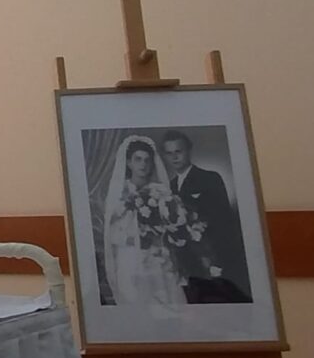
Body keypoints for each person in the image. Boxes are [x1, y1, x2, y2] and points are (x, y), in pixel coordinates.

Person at [161, 130, 252, 303]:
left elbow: (223, 220)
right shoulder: (169, 187)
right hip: (186, 261)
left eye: (178, 151)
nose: (174, 157)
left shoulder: (209, 178)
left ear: (188, 150)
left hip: (213, 254)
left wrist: (215, 259)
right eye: (169, 153)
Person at [101, 136, 186, 306]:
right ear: (129, 163)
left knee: (166, 303)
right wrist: (137, 238)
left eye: (147, 160)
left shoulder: (160, 192)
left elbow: (173, 226)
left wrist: (160, 234)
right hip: (130, 258)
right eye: (138, 159)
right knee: (136, 304)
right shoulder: (119, 194)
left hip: (158, 258)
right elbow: (112, 235)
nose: (143, 164)